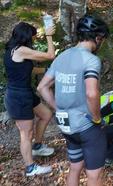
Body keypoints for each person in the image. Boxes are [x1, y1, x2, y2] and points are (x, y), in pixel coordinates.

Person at [37, 15, 109, 186]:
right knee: (94, 175)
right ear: (98, 37)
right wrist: (97, 118)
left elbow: (42, 87)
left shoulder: (62, 56)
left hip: (66, 125)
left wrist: (57, 108)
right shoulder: (91, 60)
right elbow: (92, 94)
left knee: (75, 166)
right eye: (103, 39)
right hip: (86, 126)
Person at [3, 22, 55, 176]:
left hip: (24, 93)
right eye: (33, 37)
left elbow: (27, 69)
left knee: (46, 114)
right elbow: (50, 55)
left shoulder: (12, 50)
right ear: (26, 37)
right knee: (26, 133)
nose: (34, 39)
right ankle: (30, 168)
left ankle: (37, 146)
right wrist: (49, 36)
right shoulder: (21, 50)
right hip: (18, 97)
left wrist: (48, 71)